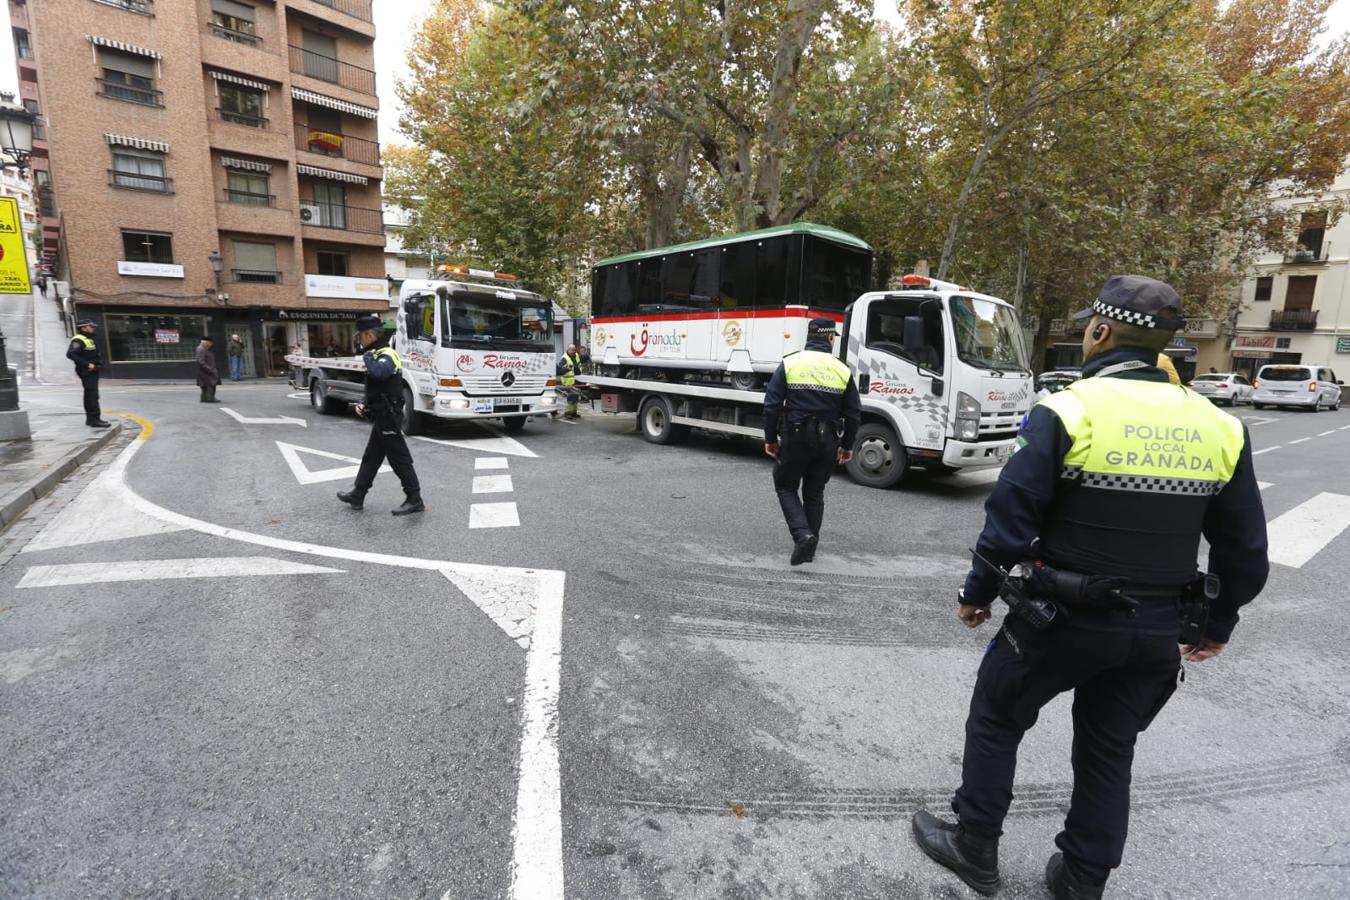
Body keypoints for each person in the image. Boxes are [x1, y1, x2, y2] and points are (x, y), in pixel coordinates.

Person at [910, 276, 1269, 899]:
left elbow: (1010, 520)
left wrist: (978, 594)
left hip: (1059, 619)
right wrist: (1219, 625)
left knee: (997, 716)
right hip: (1155, 628)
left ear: (1100, 332)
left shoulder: (1068, 409)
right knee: (1109, 751)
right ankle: (1081, 879)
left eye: (1085, 326)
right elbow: (1246, 552)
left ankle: (975, 847)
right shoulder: (1220, 426)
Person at [762, 317, 861, 565]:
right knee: (815, 493)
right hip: (827, 440)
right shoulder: (842, 369)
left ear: (810, 337)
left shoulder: (791, 363)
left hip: (795, 437)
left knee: (785, 486)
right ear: (830, 338)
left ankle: (803, 535)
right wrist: (847, 446)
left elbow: (772, 405)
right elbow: (853, 414)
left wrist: (770, 438)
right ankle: (810, 547)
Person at [337, 315, 424, 516]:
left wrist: (367, 356)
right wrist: (364, 402)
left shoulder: (388, 353)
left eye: (360, 337)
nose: (359, 341)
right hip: (381, 414)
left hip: (389, 415)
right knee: (372, 457)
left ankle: (414, 498)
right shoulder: (376, 353)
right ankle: (358, 494)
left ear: (368, 335)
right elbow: (376, 387)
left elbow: (379, 374)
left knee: (398, 457)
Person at [66, 318, 109, 428]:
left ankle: (91, 419)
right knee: (92, 395)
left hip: (92, 371)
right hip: (87, 371)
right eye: (91, 327)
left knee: (91, 395)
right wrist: (87, 364)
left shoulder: (87, 338)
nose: (93, 328)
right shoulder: (78, 339)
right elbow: (71, 354)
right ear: (84, 328)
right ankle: (95, 420)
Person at [557, 343, 584, 420]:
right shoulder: (564, 358)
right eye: (571, 350)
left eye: (574, 350)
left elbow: (579, 363)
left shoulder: (576, 355)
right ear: (568, 349)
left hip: (576, 380)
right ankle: (568, 413)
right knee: (571, 398)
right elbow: (559, 370)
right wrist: (566, 369)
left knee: (575, 397)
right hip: (568, 381)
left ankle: (573, 412)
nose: (573, 351)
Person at [195, 336, 221, 403]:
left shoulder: (204, 348)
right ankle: (210, 398)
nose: (211, 344)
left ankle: (205, 398)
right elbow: (200, 361)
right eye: (210, 343)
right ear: (206, 342)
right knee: (211, 384)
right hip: (206, 371)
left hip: (206, 371)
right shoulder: (201, 349)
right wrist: (210, 369)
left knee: (206, 385)